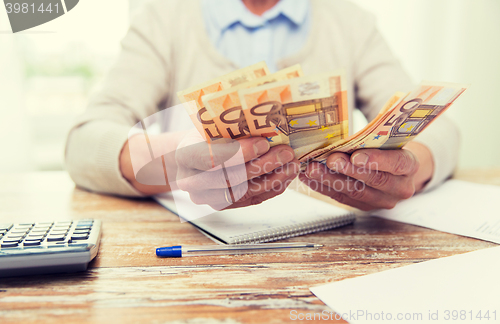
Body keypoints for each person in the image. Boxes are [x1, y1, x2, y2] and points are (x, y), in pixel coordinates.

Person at [65, 0, 460, 211]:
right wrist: (174, 161)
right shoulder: (163, 18)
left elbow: (438, 128)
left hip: (325, 254)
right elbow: (85, 142)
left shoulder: (351, 22)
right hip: (201, 258)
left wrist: (410, 168)